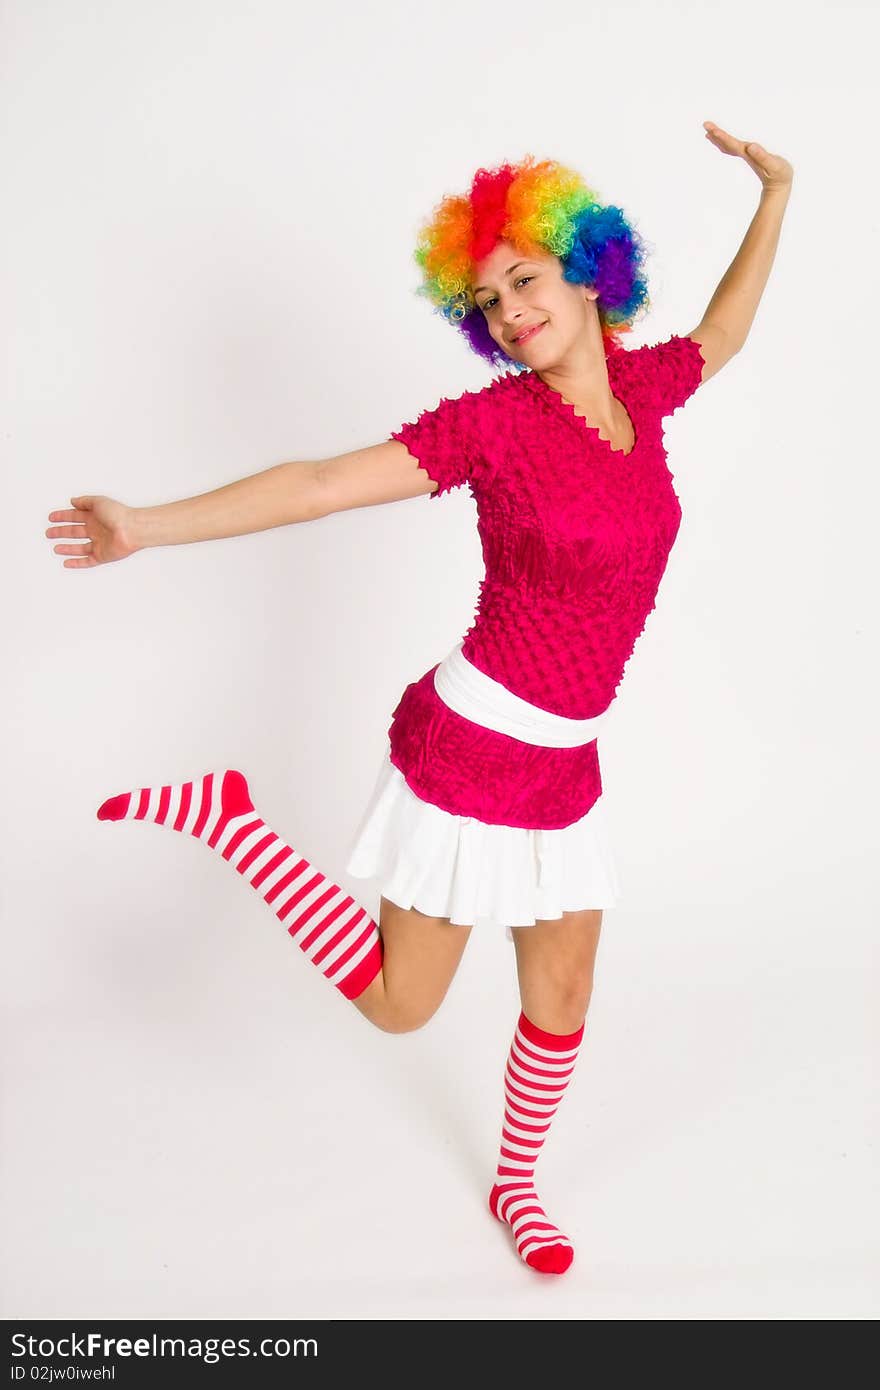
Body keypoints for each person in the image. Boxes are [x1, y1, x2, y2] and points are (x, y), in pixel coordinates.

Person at [45, 129, 793, 1277]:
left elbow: (728, 330)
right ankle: (235, 821)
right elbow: (320, 484)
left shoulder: (645, 389)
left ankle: (516, 1183)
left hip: (567, 761)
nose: (507, 311)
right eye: (486, 299)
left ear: (591, 274)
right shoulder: (494, 428)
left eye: (525, 280)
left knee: (565, 986)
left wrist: (777, 192)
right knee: (401, 1008)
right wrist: (145, 524)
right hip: (473, 743)